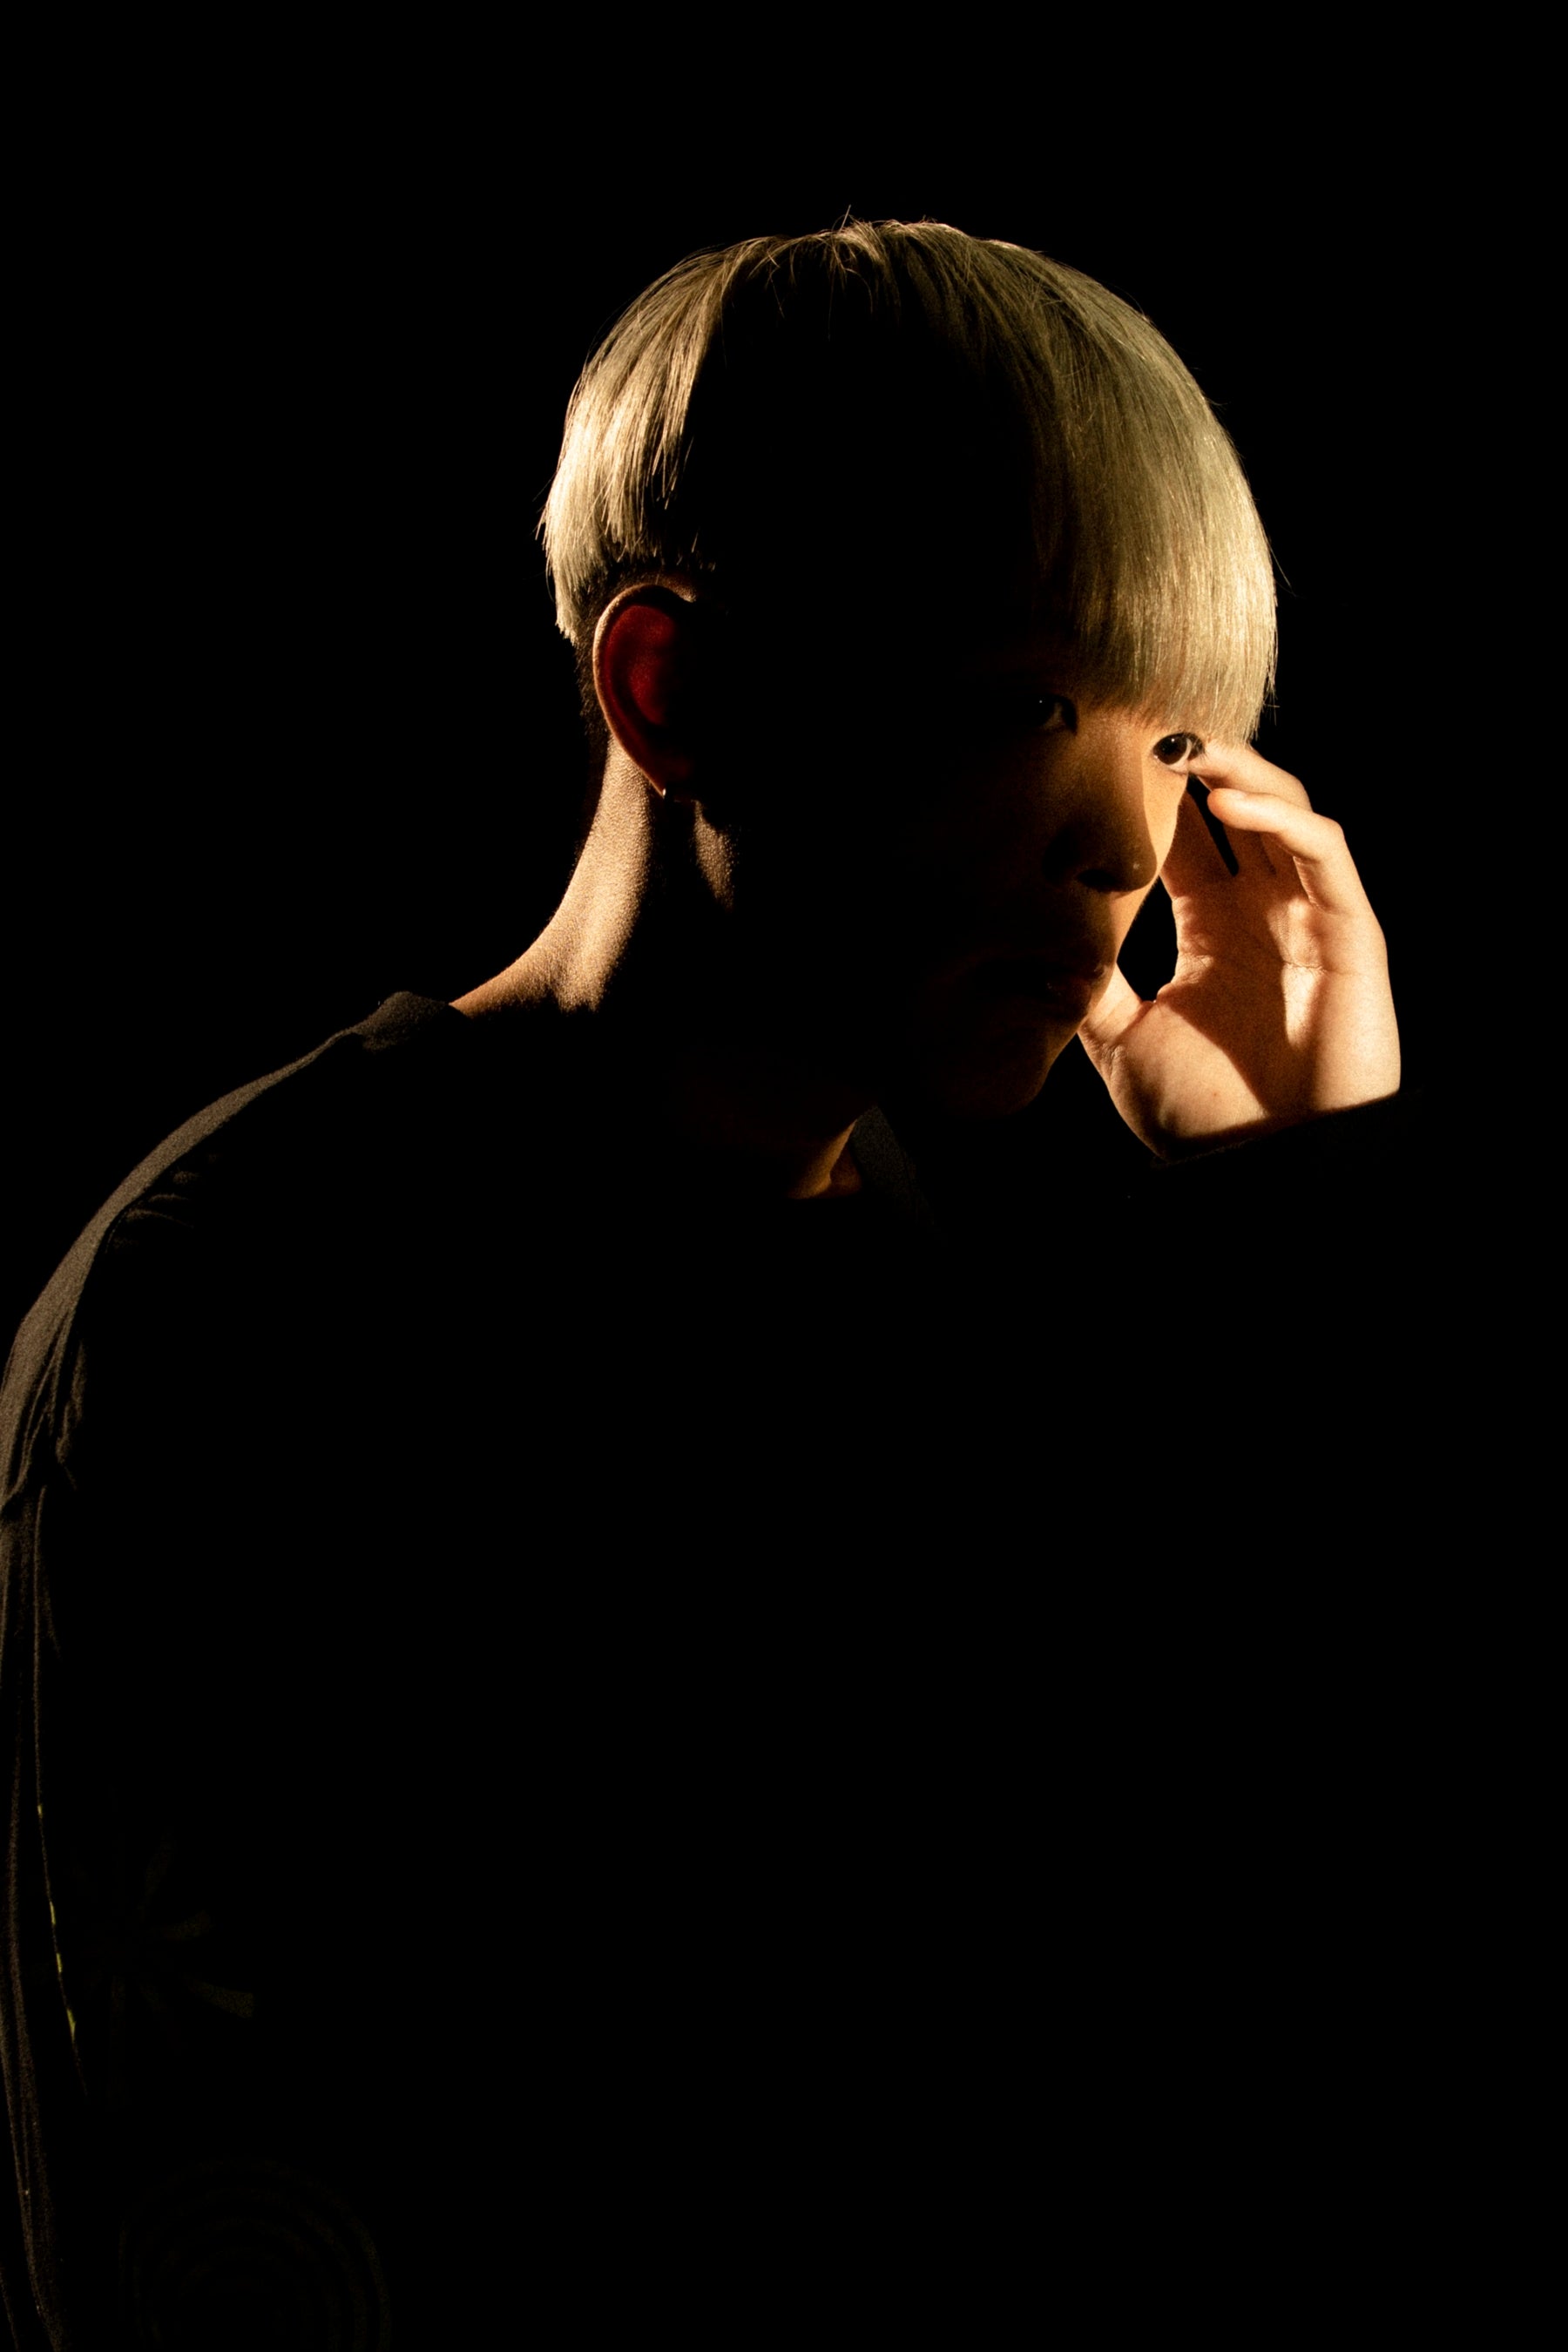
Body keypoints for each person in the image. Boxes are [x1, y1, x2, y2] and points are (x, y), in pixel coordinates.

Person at [2, 220, 1412, 2348]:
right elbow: (205, 2208)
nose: (1128, 851)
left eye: (1179, 744)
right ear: (672, 689)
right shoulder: (251, 1296)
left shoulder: (1016, 1296)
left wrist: (1297, 1210)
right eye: (1035, 703)